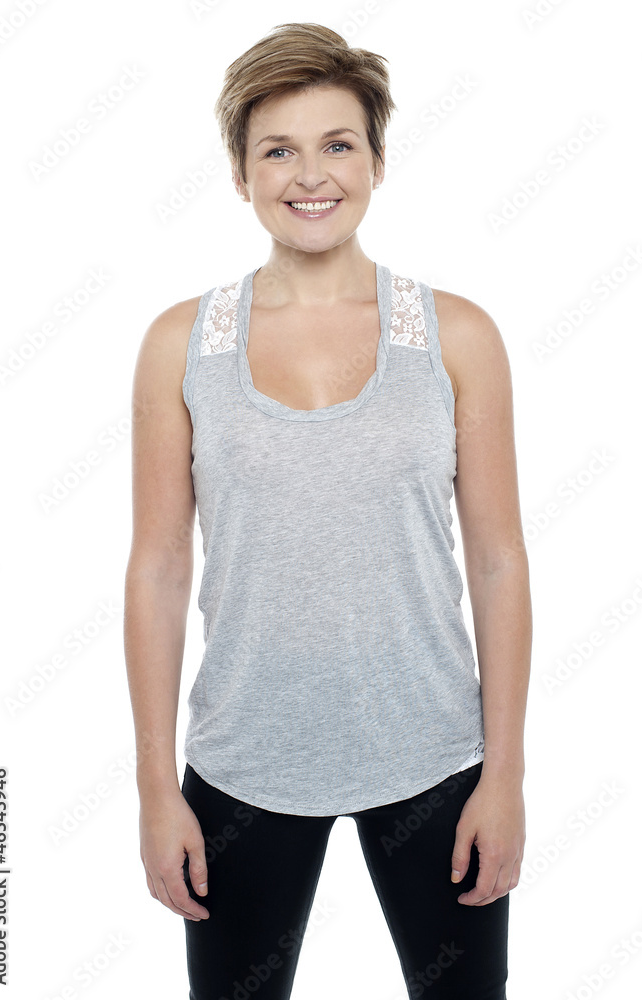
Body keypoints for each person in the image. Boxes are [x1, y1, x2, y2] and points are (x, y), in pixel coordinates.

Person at [124, 21, 532, 1000]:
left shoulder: (456, 335)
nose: (310, 175)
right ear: (240, 173)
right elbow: (158, 568)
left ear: (376, 161)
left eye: (337, 144)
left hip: (434, 759)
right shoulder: (182, 343)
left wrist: (505, 775)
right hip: (242, 764)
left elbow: (497, 562)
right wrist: (154, 790)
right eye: (278, 150)